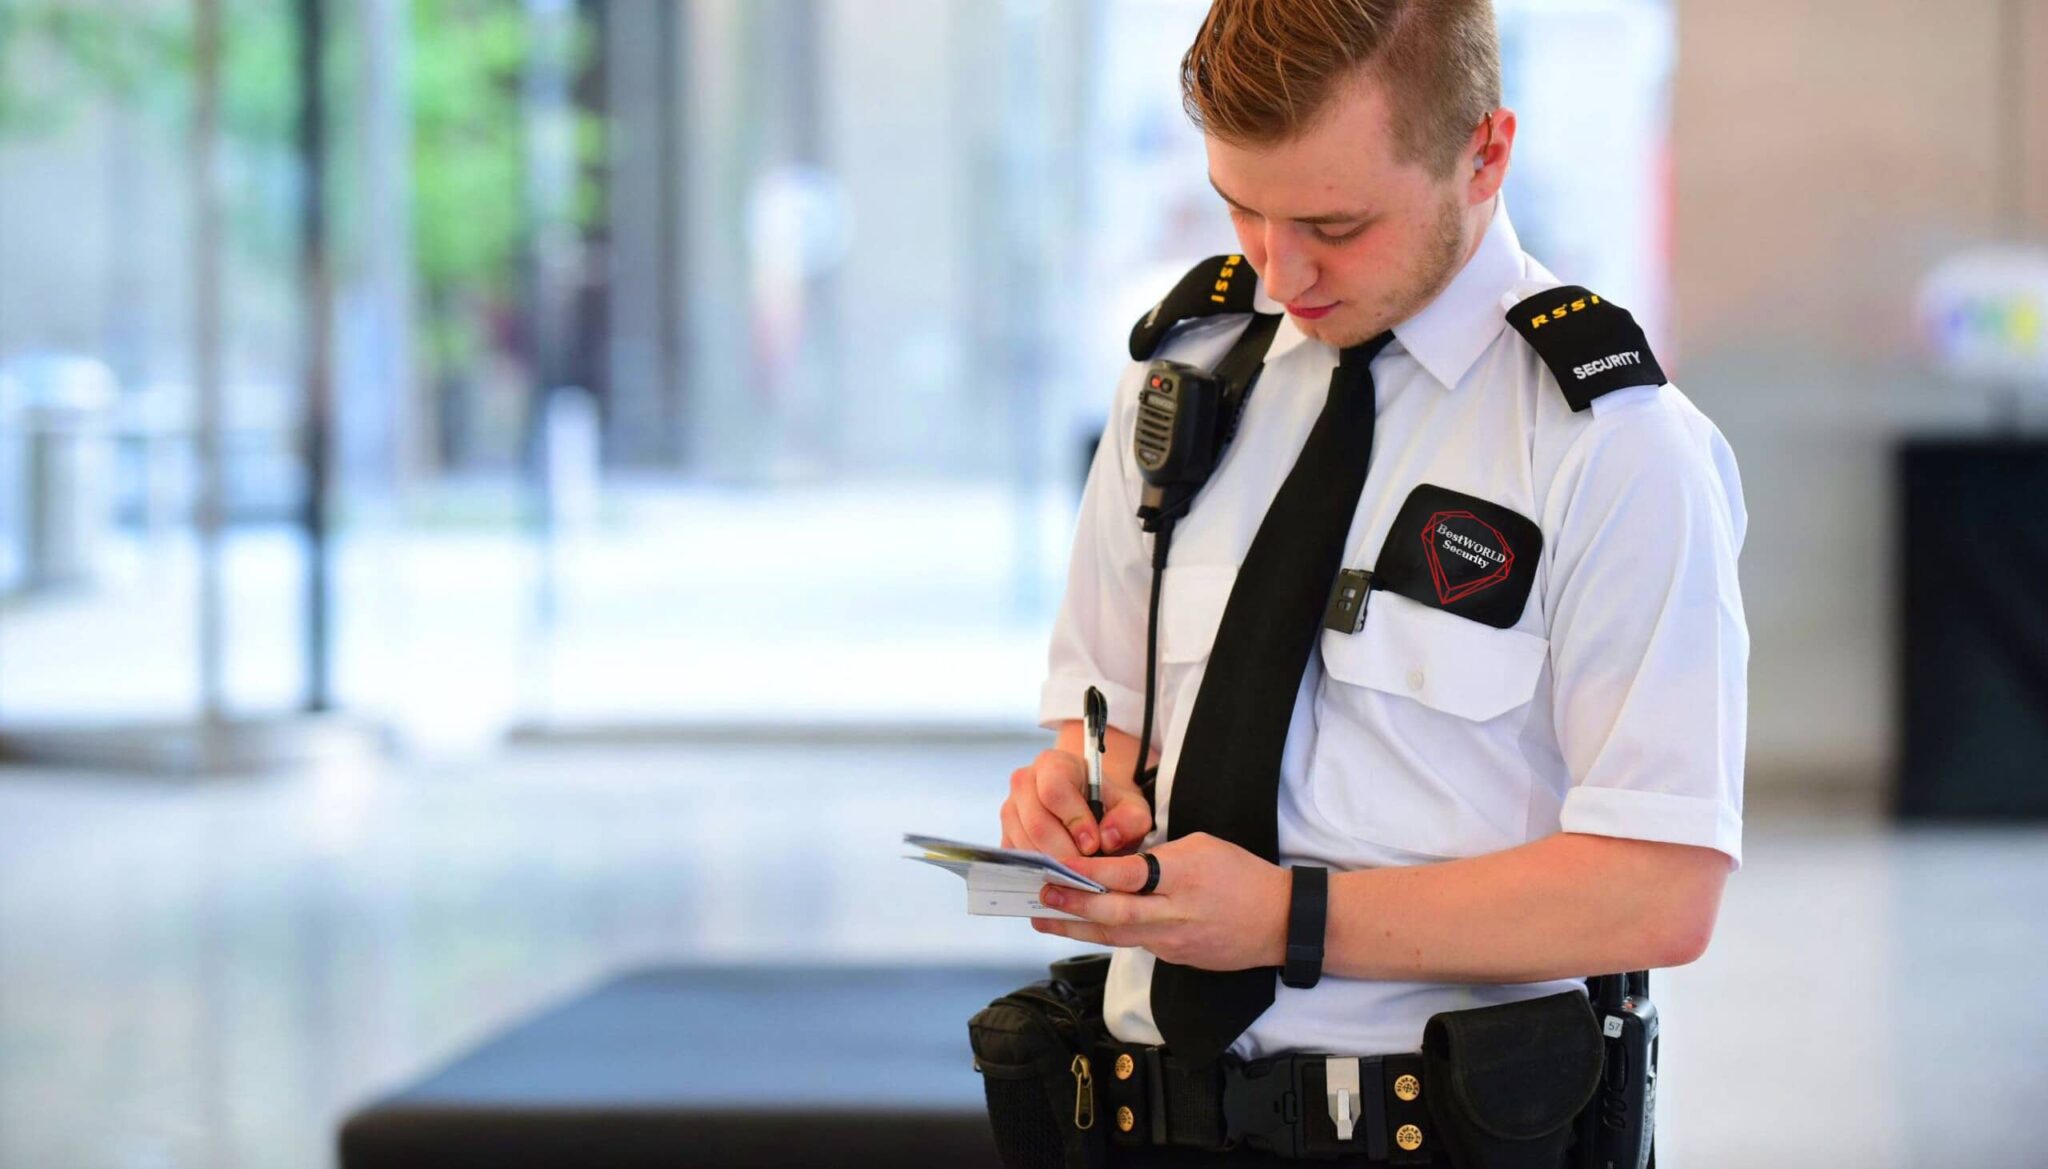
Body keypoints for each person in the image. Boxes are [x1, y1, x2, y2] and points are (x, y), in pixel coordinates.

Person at [999, 0, 1746, 1161]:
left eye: (1332, 223)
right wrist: (1074, 794)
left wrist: (1290, 921)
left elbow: (1657, 888)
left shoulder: (1609, 446)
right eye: (1239, 208)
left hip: (1433, 1125)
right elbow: (1103, 725)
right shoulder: (1181, 381)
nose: (1279, 267)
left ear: (1483, 153)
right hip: (1143, 1112)